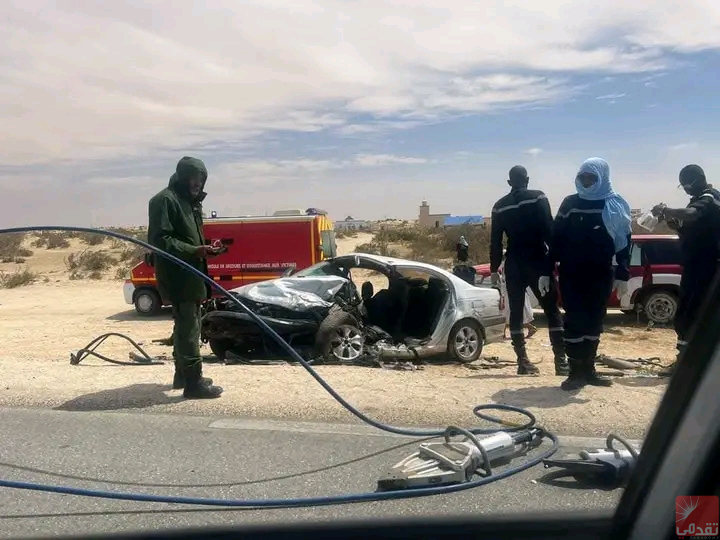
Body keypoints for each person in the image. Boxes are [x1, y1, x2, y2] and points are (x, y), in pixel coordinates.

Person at [542, 157, 632, 391]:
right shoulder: (570, 203)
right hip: (572, 272)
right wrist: (546, 269)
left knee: (595, 320)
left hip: (601, 272)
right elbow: (556, 238)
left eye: (591, 178)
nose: (587, 182)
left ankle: (589, 369)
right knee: (574, 320)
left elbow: (624, 241)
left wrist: (623, 273)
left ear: (602, 177)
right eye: (583, 177)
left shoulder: (614, 204)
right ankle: (575, 371)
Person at [148, 156, 225, 399]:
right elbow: (161, 241)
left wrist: (207, 249)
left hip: (193, 274)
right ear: (183, 177)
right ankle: (194, 383)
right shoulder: (164, 200)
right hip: (178, 276)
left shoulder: (189, 203)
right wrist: (195, 251)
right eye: (193, 178)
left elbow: (189, 239)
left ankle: (183, 375)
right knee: (189, 328)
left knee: (185, 326)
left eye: (201, 179)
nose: (198, 184)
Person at [490, 165, 568, 376]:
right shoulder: (538, 197)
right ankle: (561, 362)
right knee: (551, 310)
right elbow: (548, 230)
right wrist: (555, 261)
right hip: (537, 260)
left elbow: (495, 242)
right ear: (527, 179)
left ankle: (522, 362)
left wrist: (494, 269)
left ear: (509, 183)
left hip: (514, 262)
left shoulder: (499, 206)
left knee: (516, 312)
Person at [651, 164, 720, 376]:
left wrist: (665, 210)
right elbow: (693, 229)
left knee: (690, 314)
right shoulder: (700, 198)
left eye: (687, 184)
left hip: (706, 267)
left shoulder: (710, 198)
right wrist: (676, 226)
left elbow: (691, 214)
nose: (686, 189)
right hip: (696, 265)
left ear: (698, 178)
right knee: (688, 313)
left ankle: (687, 366)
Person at [498, 259, 537, 339]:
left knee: (508, 313)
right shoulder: (508, 263)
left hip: (511, 290)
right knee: (508, 313)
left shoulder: (509, 264)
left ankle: (503, 333)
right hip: (509, 290)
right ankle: (503, 333)